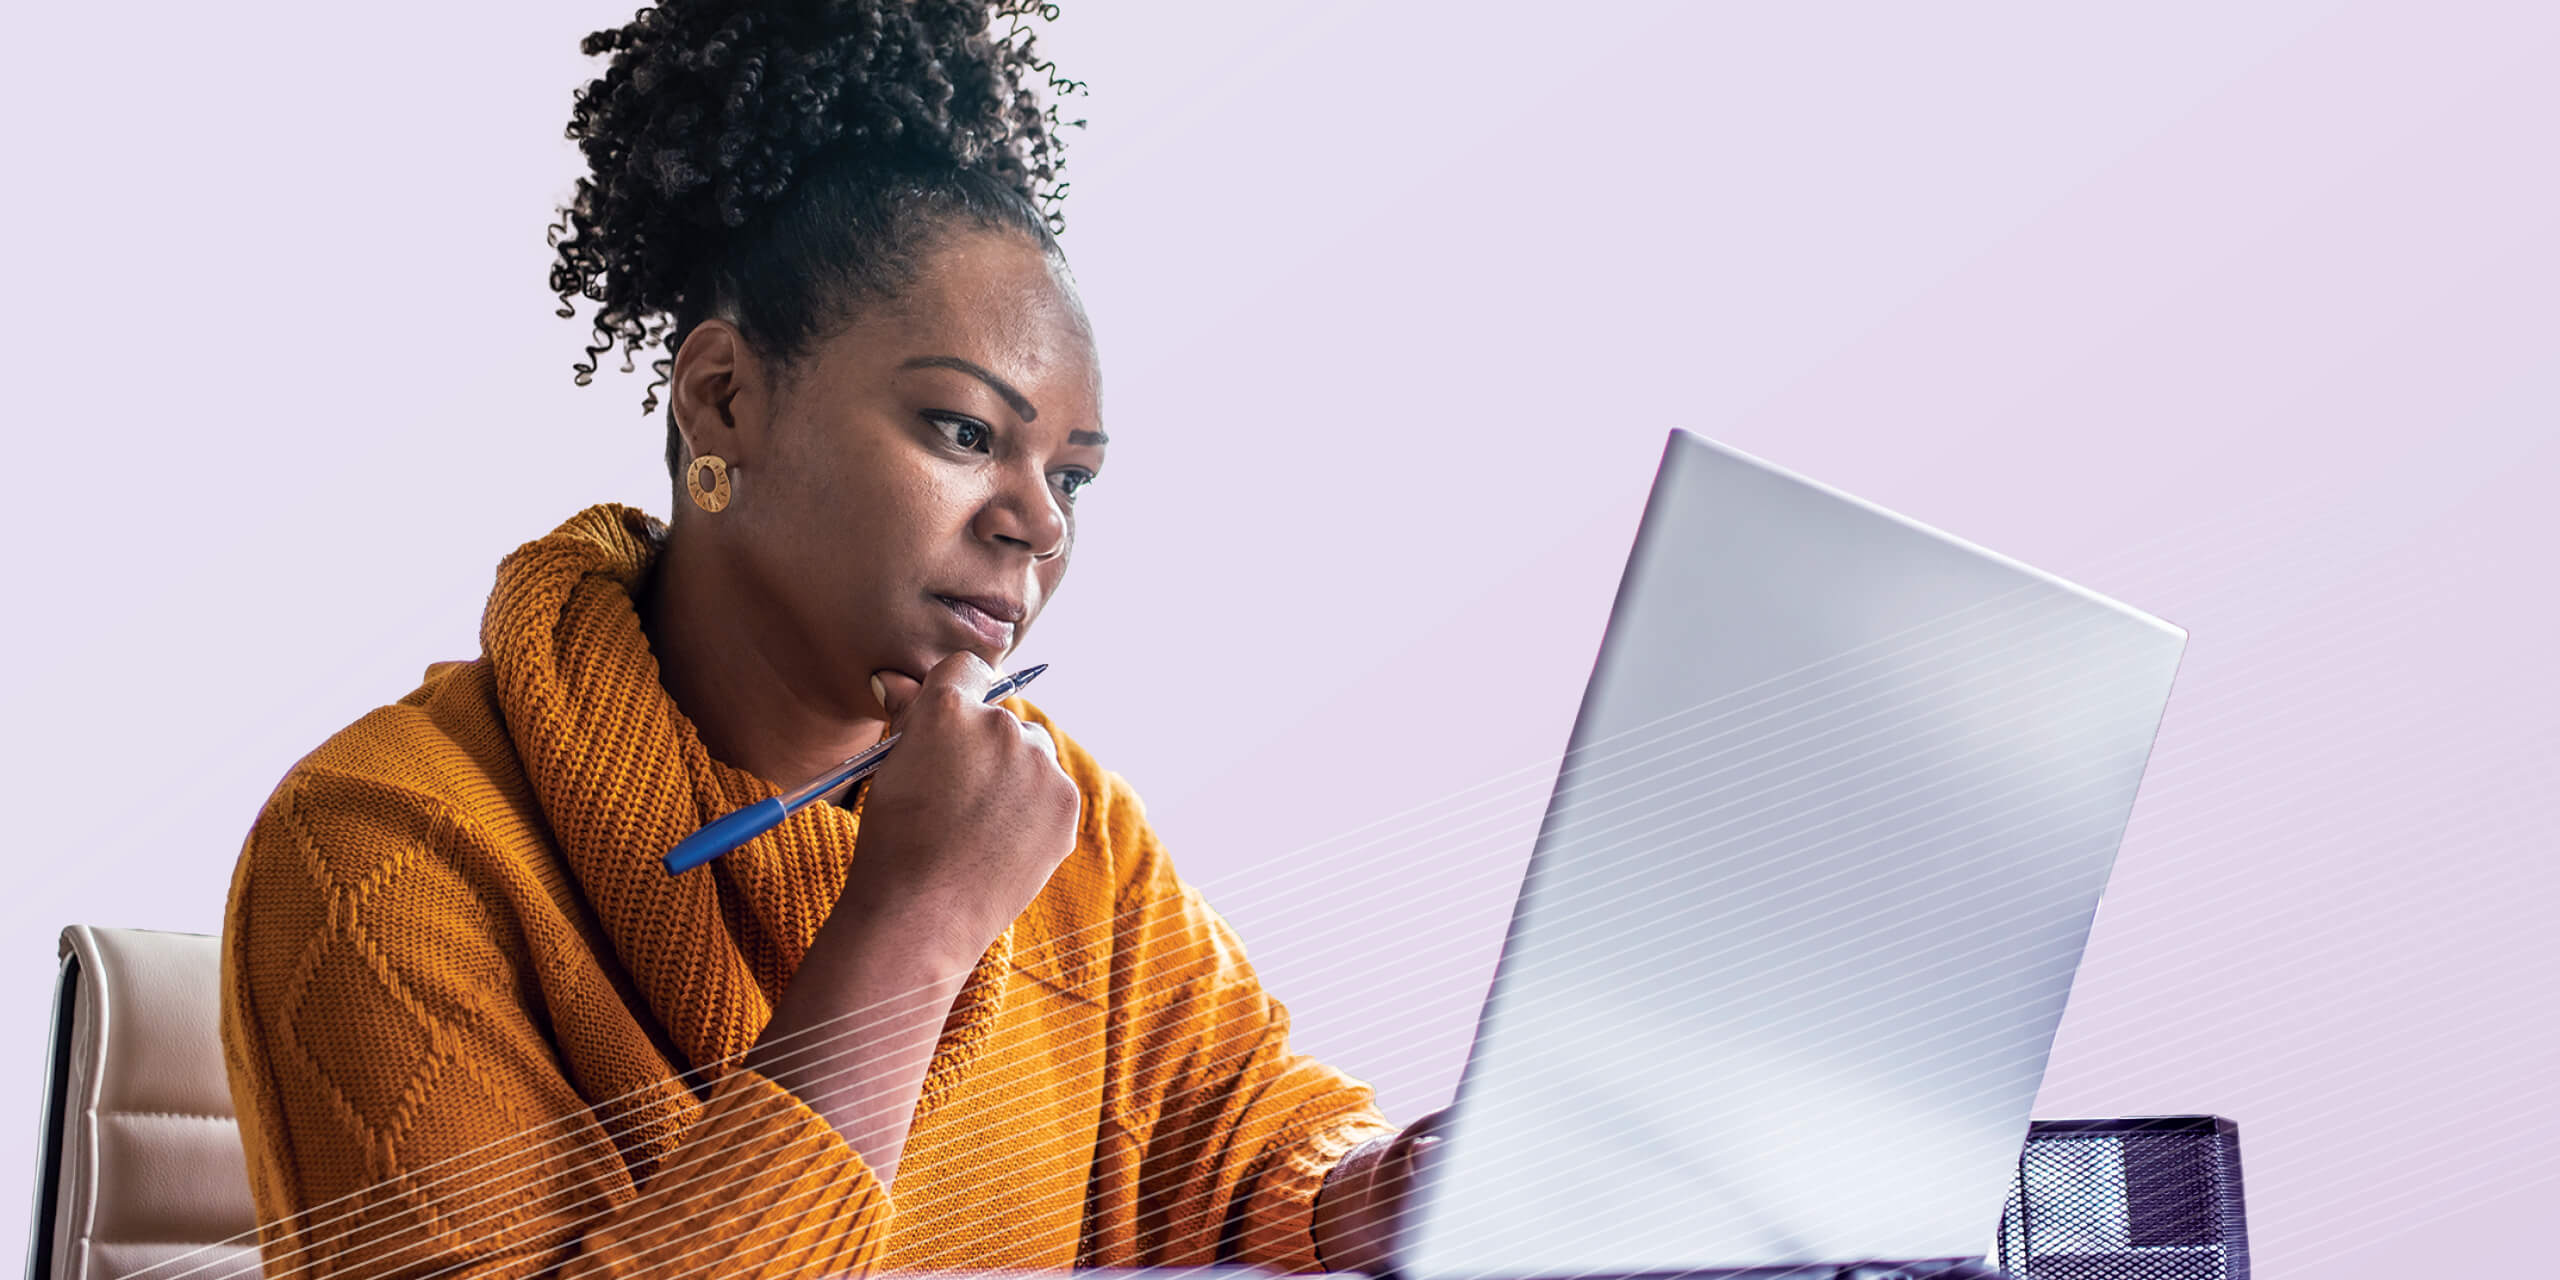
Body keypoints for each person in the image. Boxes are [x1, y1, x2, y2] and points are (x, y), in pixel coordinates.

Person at [216, 3, 1442, 1277]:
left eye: (1072, 477)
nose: (1035, 523)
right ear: (724, 399)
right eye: (966, 431)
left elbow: (1243, 1156)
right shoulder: (384, 846)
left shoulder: (1079, 838)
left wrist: (1386, 1189)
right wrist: (913, 922)